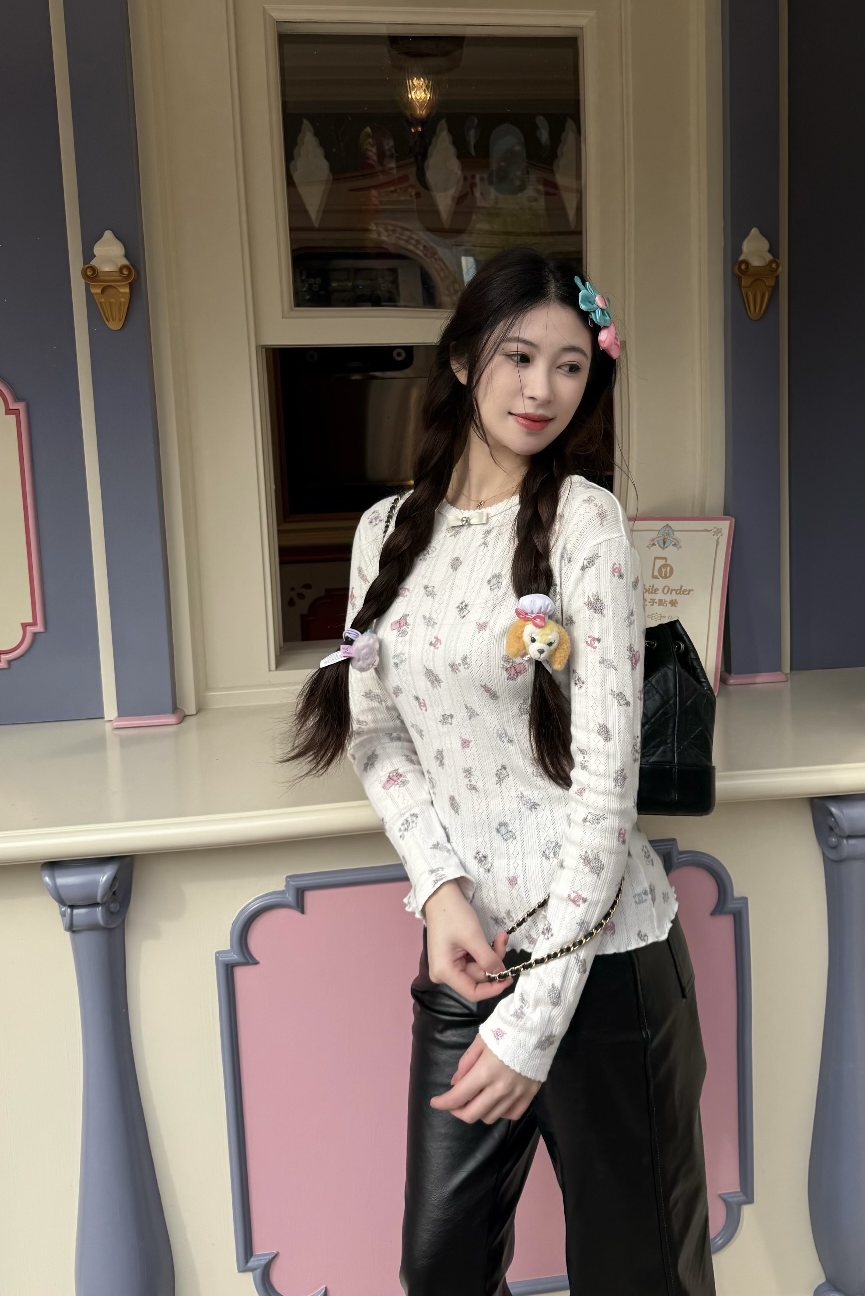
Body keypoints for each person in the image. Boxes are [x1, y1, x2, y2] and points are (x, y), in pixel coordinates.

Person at [287, 247, 716, 1296]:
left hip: (600, 966)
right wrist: (438, 890)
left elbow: (606, 789)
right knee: (440, 1266)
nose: (542, 389)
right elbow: (376, 733)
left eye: (571, 366)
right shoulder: (386, 531)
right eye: (519, 357)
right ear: (463, 358)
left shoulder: (586, 523)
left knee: (638, 1278)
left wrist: (535, 1020)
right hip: (468, 960)